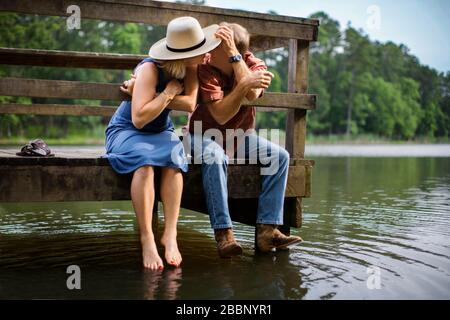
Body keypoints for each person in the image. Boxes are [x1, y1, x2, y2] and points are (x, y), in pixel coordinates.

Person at [104, 16, 222, 270]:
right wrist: (167, 93)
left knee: (174, 161)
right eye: (201, 51)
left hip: (161, 130)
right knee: (145, 164)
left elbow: (190, 103)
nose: (206, 55)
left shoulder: (191, 68)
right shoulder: (149, 69)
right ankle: (146, 238)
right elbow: (138, 118)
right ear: (183, 53)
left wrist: (150, 95)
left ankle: (170, 235)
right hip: (128, 131)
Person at [186, 22, 303, 258]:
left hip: (240, 137)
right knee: (214, 155)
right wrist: (245, 84)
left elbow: (253, 94)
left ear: (231, 50)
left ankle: (267, 231)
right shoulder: (205, 66)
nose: (208, 50)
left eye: (217, 46)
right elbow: (220, 115)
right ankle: (224, 233)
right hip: (200, 135)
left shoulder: (253, 63)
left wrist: (234, 59)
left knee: (279, 156)